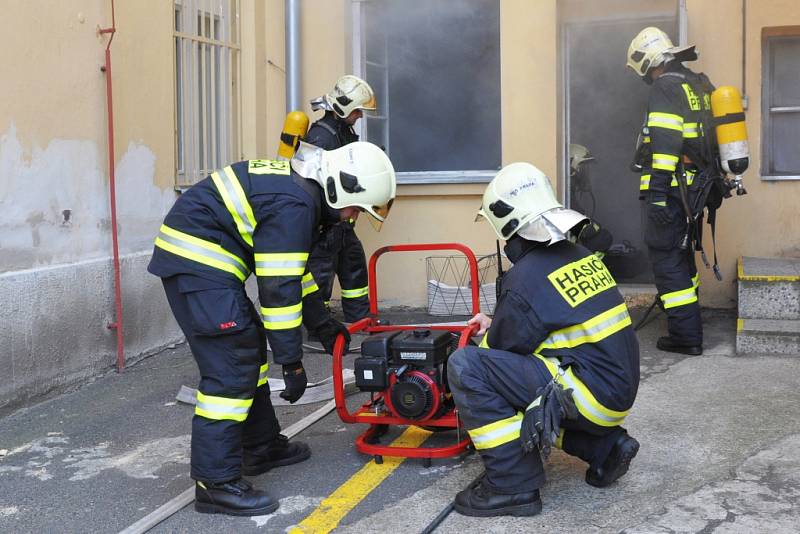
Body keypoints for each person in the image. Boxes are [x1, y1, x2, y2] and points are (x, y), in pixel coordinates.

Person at [147, 141, 396, 516]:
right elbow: (278, 291)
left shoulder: (303, 193)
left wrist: (324, 326)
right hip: (198, 264)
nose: (350, 218)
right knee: (231, 367)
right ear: (338, 189)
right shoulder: (296, 206)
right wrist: (292, 364)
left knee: (245, 349)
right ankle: (215, 484)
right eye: (353, 209)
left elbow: (292, 275)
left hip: (207, 263)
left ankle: (260, 447)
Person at [447, 162, 640, 517]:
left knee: (467, 367)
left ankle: (512, 484)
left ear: (511, 227)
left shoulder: (526, 276)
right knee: (527, 391)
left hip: (589, 394)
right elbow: (556, 321)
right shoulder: (579, 256)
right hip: (614, 391)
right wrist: (496, 320)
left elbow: (499, 355)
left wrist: (477, 351)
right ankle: (605, 448)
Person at [626, 26, 711, 355]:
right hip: (694, 189)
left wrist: (658, 196)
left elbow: (665, 147)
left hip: (673, 192)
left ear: (649, 61)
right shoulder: (694, 83)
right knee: (681, 256)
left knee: (666, 259)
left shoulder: (664, 86)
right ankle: (687, 323)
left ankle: (686, 337)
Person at [304, 75, 377, 323]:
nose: (360, 116)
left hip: (341, 223)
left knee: (353, 266)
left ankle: (360, 320)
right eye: (357, 110)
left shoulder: (342, 131)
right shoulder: (320, 138)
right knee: (321, 276)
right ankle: (318, 327)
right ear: (343, 107)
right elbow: (310, 185)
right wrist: (335, 215)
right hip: (325, 225)